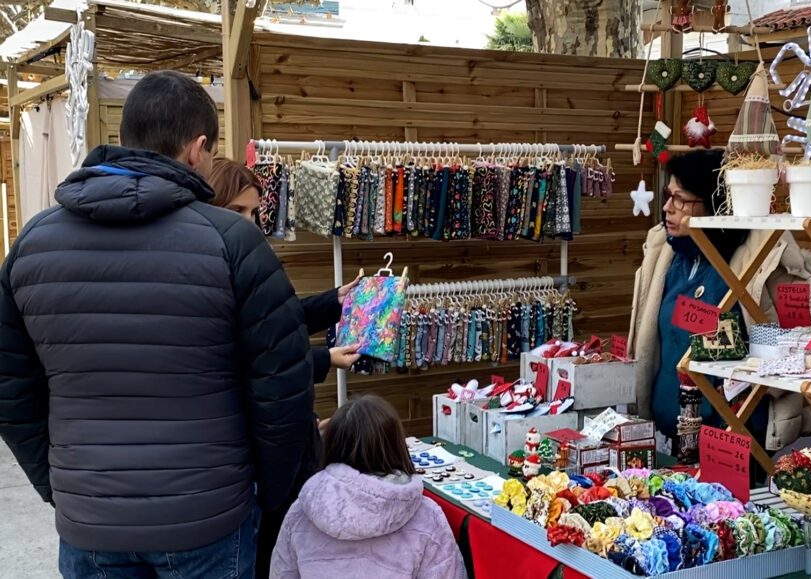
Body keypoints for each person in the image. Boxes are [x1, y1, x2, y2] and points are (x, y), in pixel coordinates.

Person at [0, 70, 314, 577]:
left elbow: (12, 391)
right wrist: (266, 491)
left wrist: (62, 488)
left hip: (91, 520)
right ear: (198, 148)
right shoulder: (232, 242)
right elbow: (283, 386)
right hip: (207, 520)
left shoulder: (32, 245)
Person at [205, 157, 361, 579]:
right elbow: (248, 364)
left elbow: (278, 322)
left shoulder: (242, 257)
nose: (250, 222)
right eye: (238, 210)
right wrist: (321, 358)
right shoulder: (211, 270)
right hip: (246, 465)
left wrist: (334, 301)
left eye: (254, 212)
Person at [628, 150, 811, 455]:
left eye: (681, 199)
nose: (667, 208)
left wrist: (763, 359)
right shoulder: (666, 256)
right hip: (668, 434)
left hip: (733, 434)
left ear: (714, 204)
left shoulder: (760, 261)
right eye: (667, 196)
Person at [271, 396, 466, 579]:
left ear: (331, 446)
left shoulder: (301, 511)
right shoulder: (427, 516)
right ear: (396, 446)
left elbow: (281, 573)